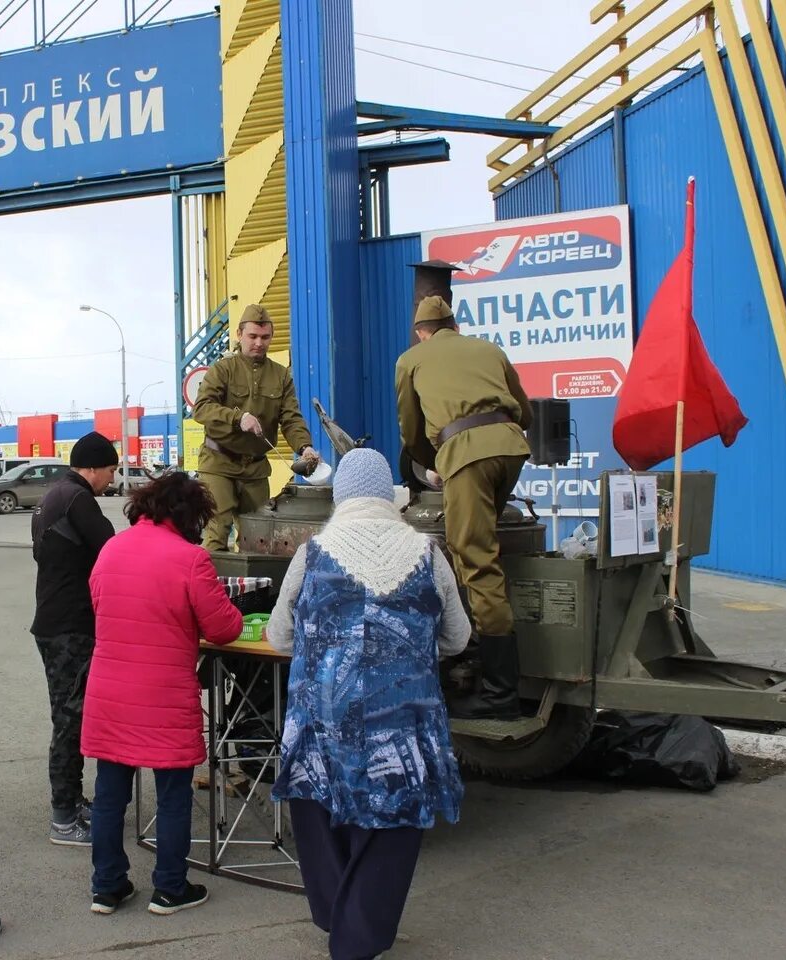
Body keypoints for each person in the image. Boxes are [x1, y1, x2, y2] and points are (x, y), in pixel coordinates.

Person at [266, 448, 469, 960]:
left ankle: (339, 918)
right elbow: (458, 637)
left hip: (322, 720)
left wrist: (325, 650)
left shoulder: (312, 553)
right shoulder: (427, 551)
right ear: (388, 497)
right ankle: (358, 934)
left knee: (318, 812)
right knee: (392, 824)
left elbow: (278, 635)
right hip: (403, 721)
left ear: (340, 496)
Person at [82, 472, 243, 916]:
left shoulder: (112, 548)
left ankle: (107, 886)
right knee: (173, 793)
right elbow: (224, 628)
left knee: (110, 794)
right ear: (190, 516)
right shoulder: (191, 559)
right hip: (163, 695)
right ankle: (170, 888)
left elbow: (98, 603)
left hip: (110, 692)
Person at [395, 294, 532, 720]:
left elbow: (411, 429)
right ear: (454, 325)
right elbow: (524, 411)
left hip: (465, 453)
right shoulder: (489, 349)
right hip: (511, 448)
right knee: (480, 542)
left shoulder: (411, 359)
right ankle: (476, 651)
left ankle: (499, 694)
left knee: (475, 559)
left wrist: (436, 463)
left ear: (422, 332)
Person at [29, 431, 119, 845]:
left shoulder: (55, 495)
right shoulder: (79, 500)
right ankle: (64, 817)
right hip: (70, 626)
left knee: (68, 714)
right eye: (111, 470)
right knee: (71, 717)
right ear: (94, 468)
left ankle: (72, 799)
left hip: (54, 621)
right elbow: (113, 550)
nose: (112, 479)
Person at [192, 303, 320, 551]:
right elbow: (202, 408)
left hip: (255, 469)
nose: (259, 343)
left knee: (258, 539)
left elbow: (291, 418)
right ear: (239, 335)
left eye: (265, 337)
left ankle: (252, 590)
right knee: (217, 534)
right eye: (252, 336)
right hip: (219, 464)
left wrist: (305, 447)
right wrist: (237, 418)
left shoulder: (281, 376)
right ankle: (214, 589)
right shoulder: (222, 370)